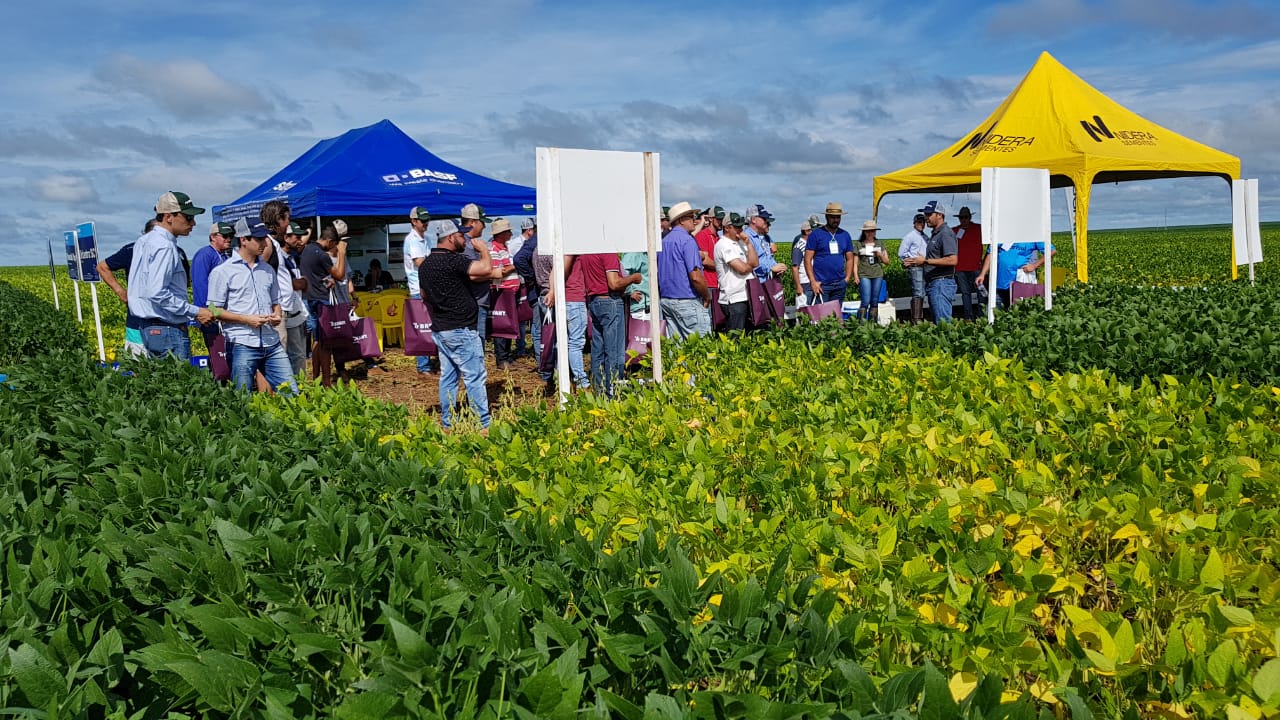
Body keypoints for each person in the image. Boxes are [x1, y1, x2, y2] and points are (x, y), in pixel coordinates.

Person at [206, 220, 296, 394]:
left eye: (265, 238)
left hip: (271, 342)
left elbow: (276, 302)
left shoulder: (268, 270)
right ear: (243, 240)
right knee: (242, 398)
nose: (264, 243)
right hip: (241, 343)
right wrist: (246, 320)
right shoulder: (222, 271)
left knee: (291, 393)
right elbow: (213, 310)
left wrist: (277, 315)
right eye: (259, 239)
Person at [421, 219, 492, 432]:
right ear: (451, 237)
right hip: (461, 328)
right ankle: (483, 424)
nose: (465, 239)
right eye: (461, 236)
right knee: (475, 376)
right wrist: (483, 250)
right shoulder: (453, 260)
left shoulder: (425, 265)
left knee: (449, 377)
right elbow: (485, 269)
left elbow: (424, 295)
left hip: (441, 328)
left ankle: (448, 422)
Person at [128, 191, 214, 360]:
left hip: (147, 327)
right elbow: (157, 292)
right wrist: (195, 311)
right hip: (168, 328)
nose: (193, 223)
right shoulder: (165, 246)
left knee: (161, 382)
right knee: (179, 383)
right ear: (169, 217)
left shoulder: (143, 241)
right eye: (188, 217)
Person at [97, 218, 190, 358]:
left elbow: (185, 283)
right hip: (138, 320)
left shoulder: (177, 251)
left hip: (170, 321)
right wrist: (121, 292)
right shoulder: (132, 249)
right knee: (139, 367)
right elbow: (103, 267)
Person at [580, 252, 641, 396]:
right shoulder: (608, 253)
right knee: (614, 351)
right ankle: (613, 391)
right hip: (610, 301)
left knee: (598, 350)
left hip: (594, 301)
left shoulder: (585, 252)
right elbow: (614, 283)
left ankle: (599, 390)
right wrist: (633, 278)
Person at [299, 222, 348, 386]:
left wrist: (326, 281)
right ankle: (326, 381)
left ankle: (316, 378)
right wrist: (342, 253)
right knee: (325, 344)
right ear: (330, 241)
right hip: (321, 301)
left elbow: (315, 275)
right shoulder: (322, 255)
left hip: (308, 299)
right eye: (334, 245)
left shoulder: (306, 250)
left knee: (317, 341)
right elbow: (340, 275)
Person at [656, 201, 711, 339]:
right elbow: (696, 276)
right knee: (700, 347)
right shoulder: (687, 241)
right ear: (681, 220)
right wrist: (706, 295)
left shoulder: (663, 242)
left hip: (667, 301)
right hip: (687, 300)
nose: (694, 220)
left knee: (676, 349)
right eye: (690, 217)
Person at [976, 240, 1058, 309]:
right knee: (994, 313)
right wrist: (982, 274)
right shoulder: (1002, 234)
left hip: (1019, 284)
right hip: (999, 283)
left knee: (1017, 313)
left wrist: (1034, 265)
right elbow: (990, 254)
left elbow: (1052, 251)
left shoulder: (1031, 236)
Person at [404, 207, 437, 374]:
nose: (426, 223)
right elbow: (422, 264)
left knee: (429, 325)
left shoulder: (426, 239)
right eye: (422, 220)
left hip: (427, 287)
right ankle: (423, 366)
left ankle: (428, 360)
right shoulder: (412, 240)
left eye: (427, 220)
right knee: (423, 326)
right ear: (413, 221)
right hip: (419, 289)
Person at [715, 212, 760, 331]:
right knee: (736, 336)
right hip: (734, 298)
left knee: (749, 334)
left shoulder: (741, 242)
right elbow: (742, 269)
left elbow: (755, 263)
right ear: (727, 228)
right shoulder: (723, 244)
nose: (740, 230)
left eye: (741, 227)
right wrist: (748, 265)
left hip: (746, 295)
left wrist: (749, 243)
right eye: (736, 227)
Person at [803, 202, 856, 304]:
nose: (836, 220)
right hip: (821, 285)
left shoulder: (845, 235)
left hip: (840, 284)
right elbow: (807, 259)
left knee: (836, 316)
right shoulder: (816, 235)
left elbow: (850, 258)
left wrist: (847, 279)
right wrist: (813, 282)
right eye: (833, 217)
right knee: (822, 317)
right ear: (827, 217)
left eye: (838, 217)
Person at [276, 222, 310, 376]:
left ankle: (299, 388)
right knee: (283, 356)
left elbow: (300, 284)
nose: (300, 240)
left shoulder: (292, 257)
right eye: (297, 236)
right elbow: (294, 284)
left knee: (299, 355)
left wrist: (301, 283)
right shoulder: (277, 258)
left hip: (296, 313)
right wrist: (301, 283)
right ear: (286, 237)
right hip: (284, 314)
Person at [488, 218, 522, 368]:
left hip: (508, 292)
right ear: (501, 233)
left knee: (508, 324)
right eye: (508, 231)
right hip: (502, 292)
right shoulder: (494, 250)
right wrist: (514, 266)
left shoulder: (503, 248)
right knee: (502, 325)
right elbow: (498, 272)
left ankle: (506, 356)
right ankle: (502, 358)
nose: (510, 233)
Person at [918, 200, 958, 323]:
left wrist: (925, 261)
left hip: (941, 283)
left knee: (943, 323)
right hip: (936, 283)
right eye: (925, 215)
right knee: (939, 321)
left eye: (929, 215)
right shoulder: (936, 234)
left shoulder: (945, 234)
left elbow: (952, 260)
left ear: (939, 215)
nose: (926, 218)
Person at [460, 203, 493, 338]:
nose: (484, 226)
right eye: (482, 223)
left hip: (477, 300)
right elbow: (472, 275)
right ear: (472, 222)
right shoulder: (467, 245)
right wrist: (492, 274)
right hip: (475, 301)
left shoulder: (471, 243)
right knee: (477, 344)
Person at [853, 220, 891, 322]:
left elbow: (887, 262)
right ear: (864, 232)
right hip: (864, 275)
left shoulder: (880, 243)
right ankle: (860, 325)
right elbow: (855, 262)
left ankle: (872, 325)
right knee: (865, 301)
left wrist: (880, 255)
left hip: (877, 275)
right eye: (868, 231)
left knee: (874, 301)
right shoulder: (859, 244)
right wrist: (856, 276)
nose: (870, 233)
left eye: (872, 231)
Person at [512, 218, 539, 357]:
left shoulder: (527, 242)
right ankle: (538, 355)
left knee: (534, 321)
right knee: (528, 320)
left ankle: (539, 356)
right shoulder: (534, 241)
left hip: (528, 285)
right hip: (526, 285)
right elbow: (517, 260)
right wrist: (532, 277)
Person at [953, 206, 984, 321]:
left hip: (976, 267)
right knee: (965, 294)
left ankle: (982, 315)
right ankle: (968, 317)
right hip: (960, 268)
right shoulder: (954, 231)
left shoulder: (979, 228)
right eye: (961, 218)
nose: (963, 220)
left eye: (965, 217)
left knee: (981, 292)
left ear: (970, 217)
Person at [898, 213, 929, 324]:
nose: (922, 224)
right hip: (916, 267)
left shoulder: (925, 237)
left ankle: (919, 318)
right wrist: (909, 261)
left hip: (925, 266)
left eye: (923, 222)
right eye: (919, 222)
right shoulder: (910, 236)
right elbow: (901, 253)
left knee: (922, 292)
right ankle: (916, 319)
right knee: (918, 292)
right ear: (914, 223)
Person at [745, 204, 785, 283]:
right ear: (753, 219)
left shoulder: (763, 237)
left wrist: (778, 267)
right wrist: (770, 268)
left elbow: (768, 257)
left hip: (766, 282)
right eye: (763, 218)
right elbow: (750, 263)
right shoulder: (746, 237)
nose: (766, 221)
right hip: (755, 283)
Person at [694, 206, 722, 317]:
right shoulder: (703, 235)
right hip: (708, 283)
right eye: (718, 219)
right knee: (709, 317)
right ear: (711, 219)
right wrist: (721, 266)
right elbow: (705, 260)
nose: (721, 222)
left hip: (718, 283)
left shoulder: (718, 237)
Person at [791, 219, 814, 306]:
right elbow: (794, 268)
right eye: (811, 230)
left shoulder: (808, 245)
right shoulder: (799, 247)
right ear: (807, 231)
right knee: (805, 311)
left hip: (811, 282)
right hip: (804, 283)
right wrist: (798, 286)